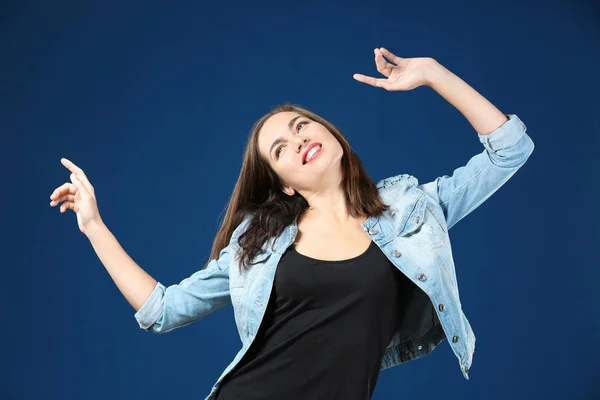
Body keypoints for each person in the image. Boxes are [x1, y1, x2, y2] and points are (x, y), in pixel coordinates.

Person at [49, 47, 534, 400]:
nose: (298, 140)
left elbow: (510, 150)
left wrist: (431, 73)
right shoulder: (257, 244)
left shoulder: (411, 210)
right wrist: (93, 225)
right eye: (280, 149)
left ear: (328, 132)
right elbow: (164, 309)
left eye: (301, 126)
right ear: (283, 184)